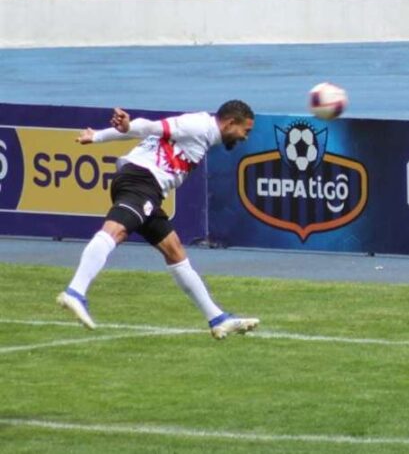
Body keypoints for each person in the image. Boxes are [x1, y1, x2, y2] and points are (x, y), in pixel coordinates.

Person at [56, 101, 260, 340]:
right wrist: (124, 126)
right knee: (116, 231)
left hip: (147, 186)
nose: (245, 137)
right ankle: (76, 290)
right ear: (230, 123)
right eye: (245, 131)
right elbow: (148, 127)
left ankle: (217, 318)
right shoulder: (198, 125)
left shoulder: (205, 133)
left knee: (174, 251)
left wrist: (98, 136)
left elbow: (141, 132)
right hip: (141, 180)